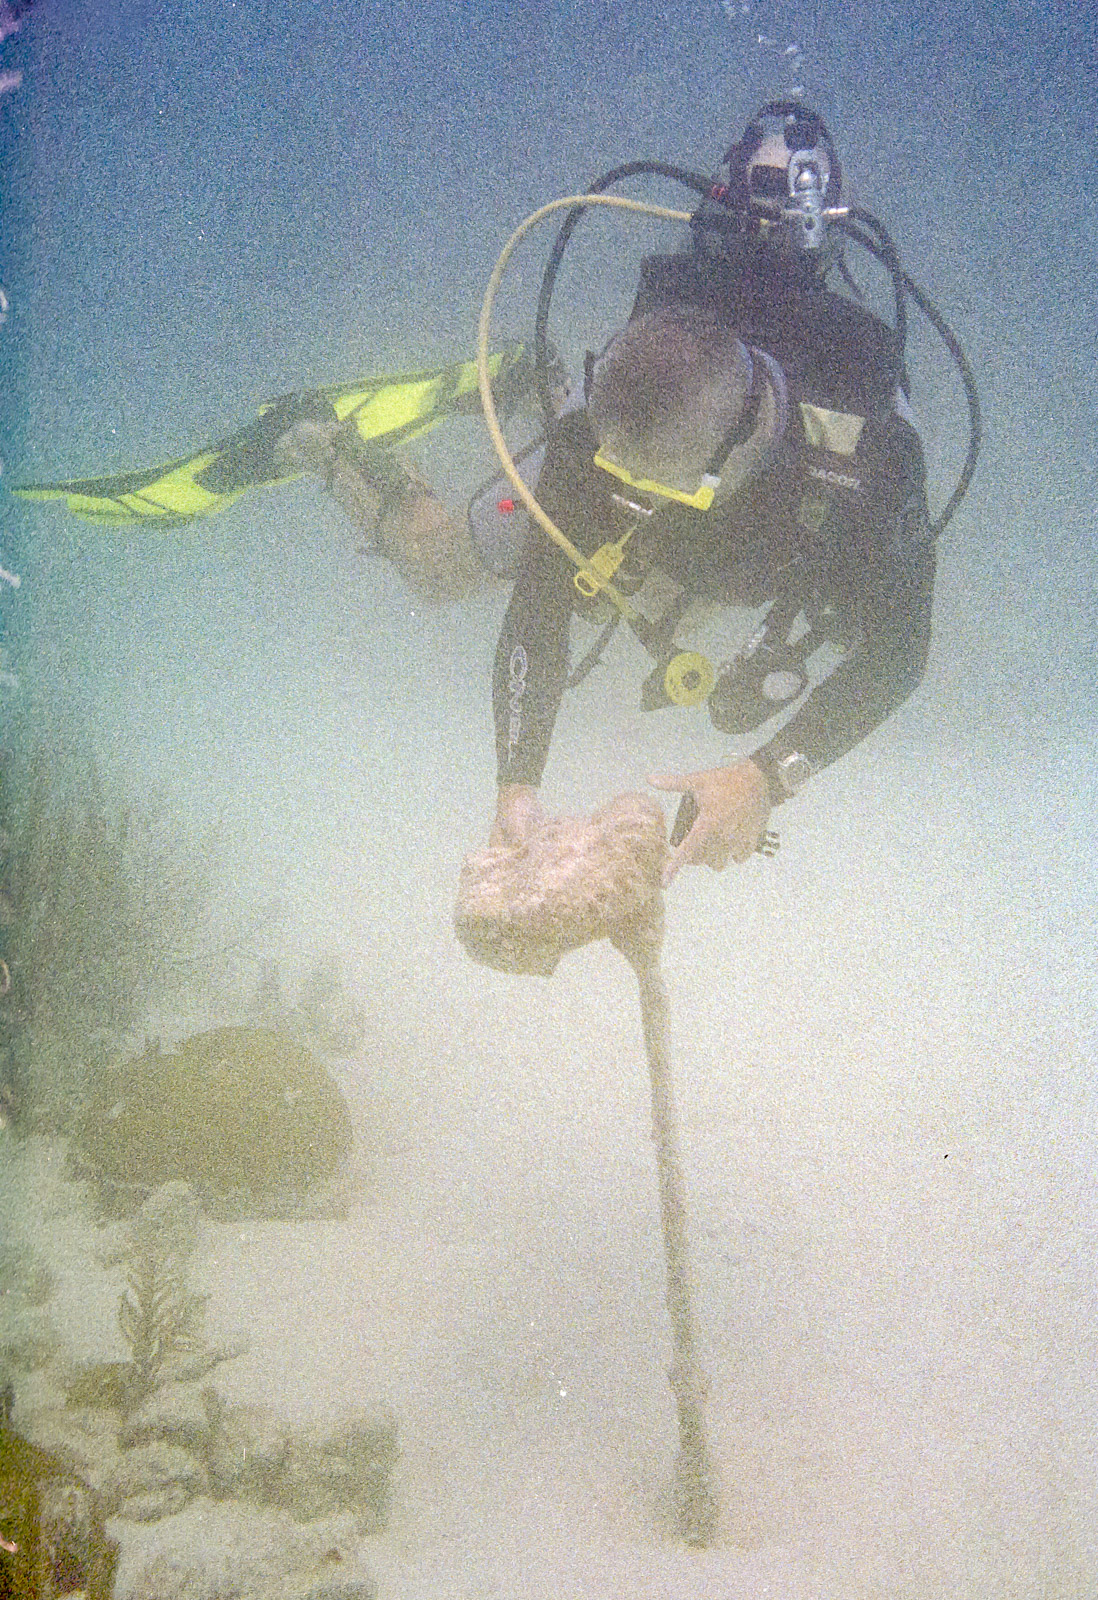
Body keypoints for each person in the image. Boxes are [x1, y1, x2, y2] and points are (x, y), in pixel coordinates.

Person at [490, 103, 946, 884]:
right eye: (628, 480)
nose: (643, 499)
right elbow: (537, 599)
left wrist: (765, 776)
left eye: (668, 486)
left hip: (779, 551)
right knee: (460, 553)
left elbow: (899, 656)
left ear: (742, 447)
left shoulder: (865, 463)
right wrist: (515, 788)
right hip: (649, 564)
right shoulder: (599, 433)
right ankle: (368, 434)